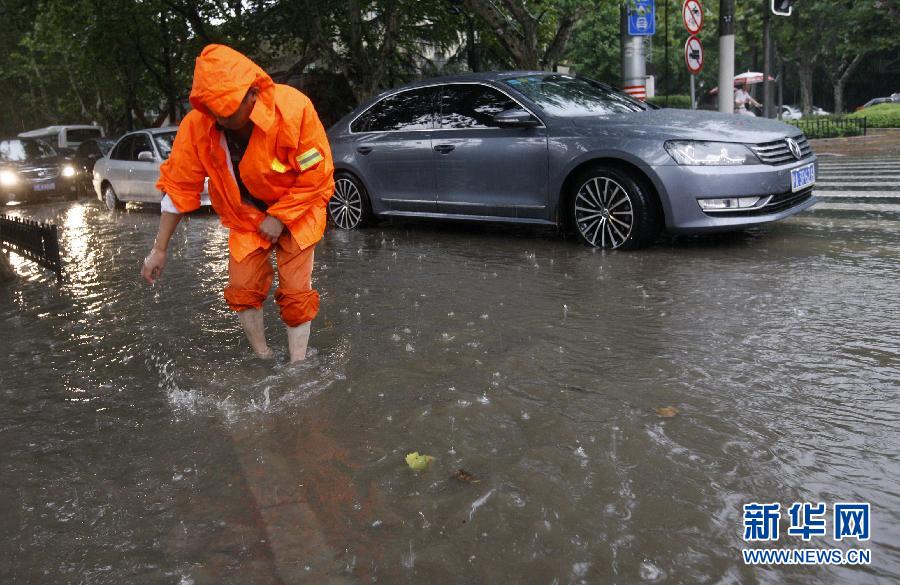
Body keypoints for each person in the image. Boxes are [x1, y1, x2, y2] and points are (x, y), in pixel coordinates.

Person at [140, 44, 334, 362]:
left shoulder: (293, 109)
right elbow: (178, 188)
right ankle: (263, 358)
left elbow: (318, 175)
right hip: (246, 217)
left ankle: (298, 365)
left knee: (297, 295)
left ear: (253, 93)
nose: (222, 120)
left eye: (229, 112)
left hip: (298, 210)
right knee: (242, 291)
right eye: (214, 112)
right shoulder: (197, 126)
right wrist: (159, 248)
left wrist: (281, 216)